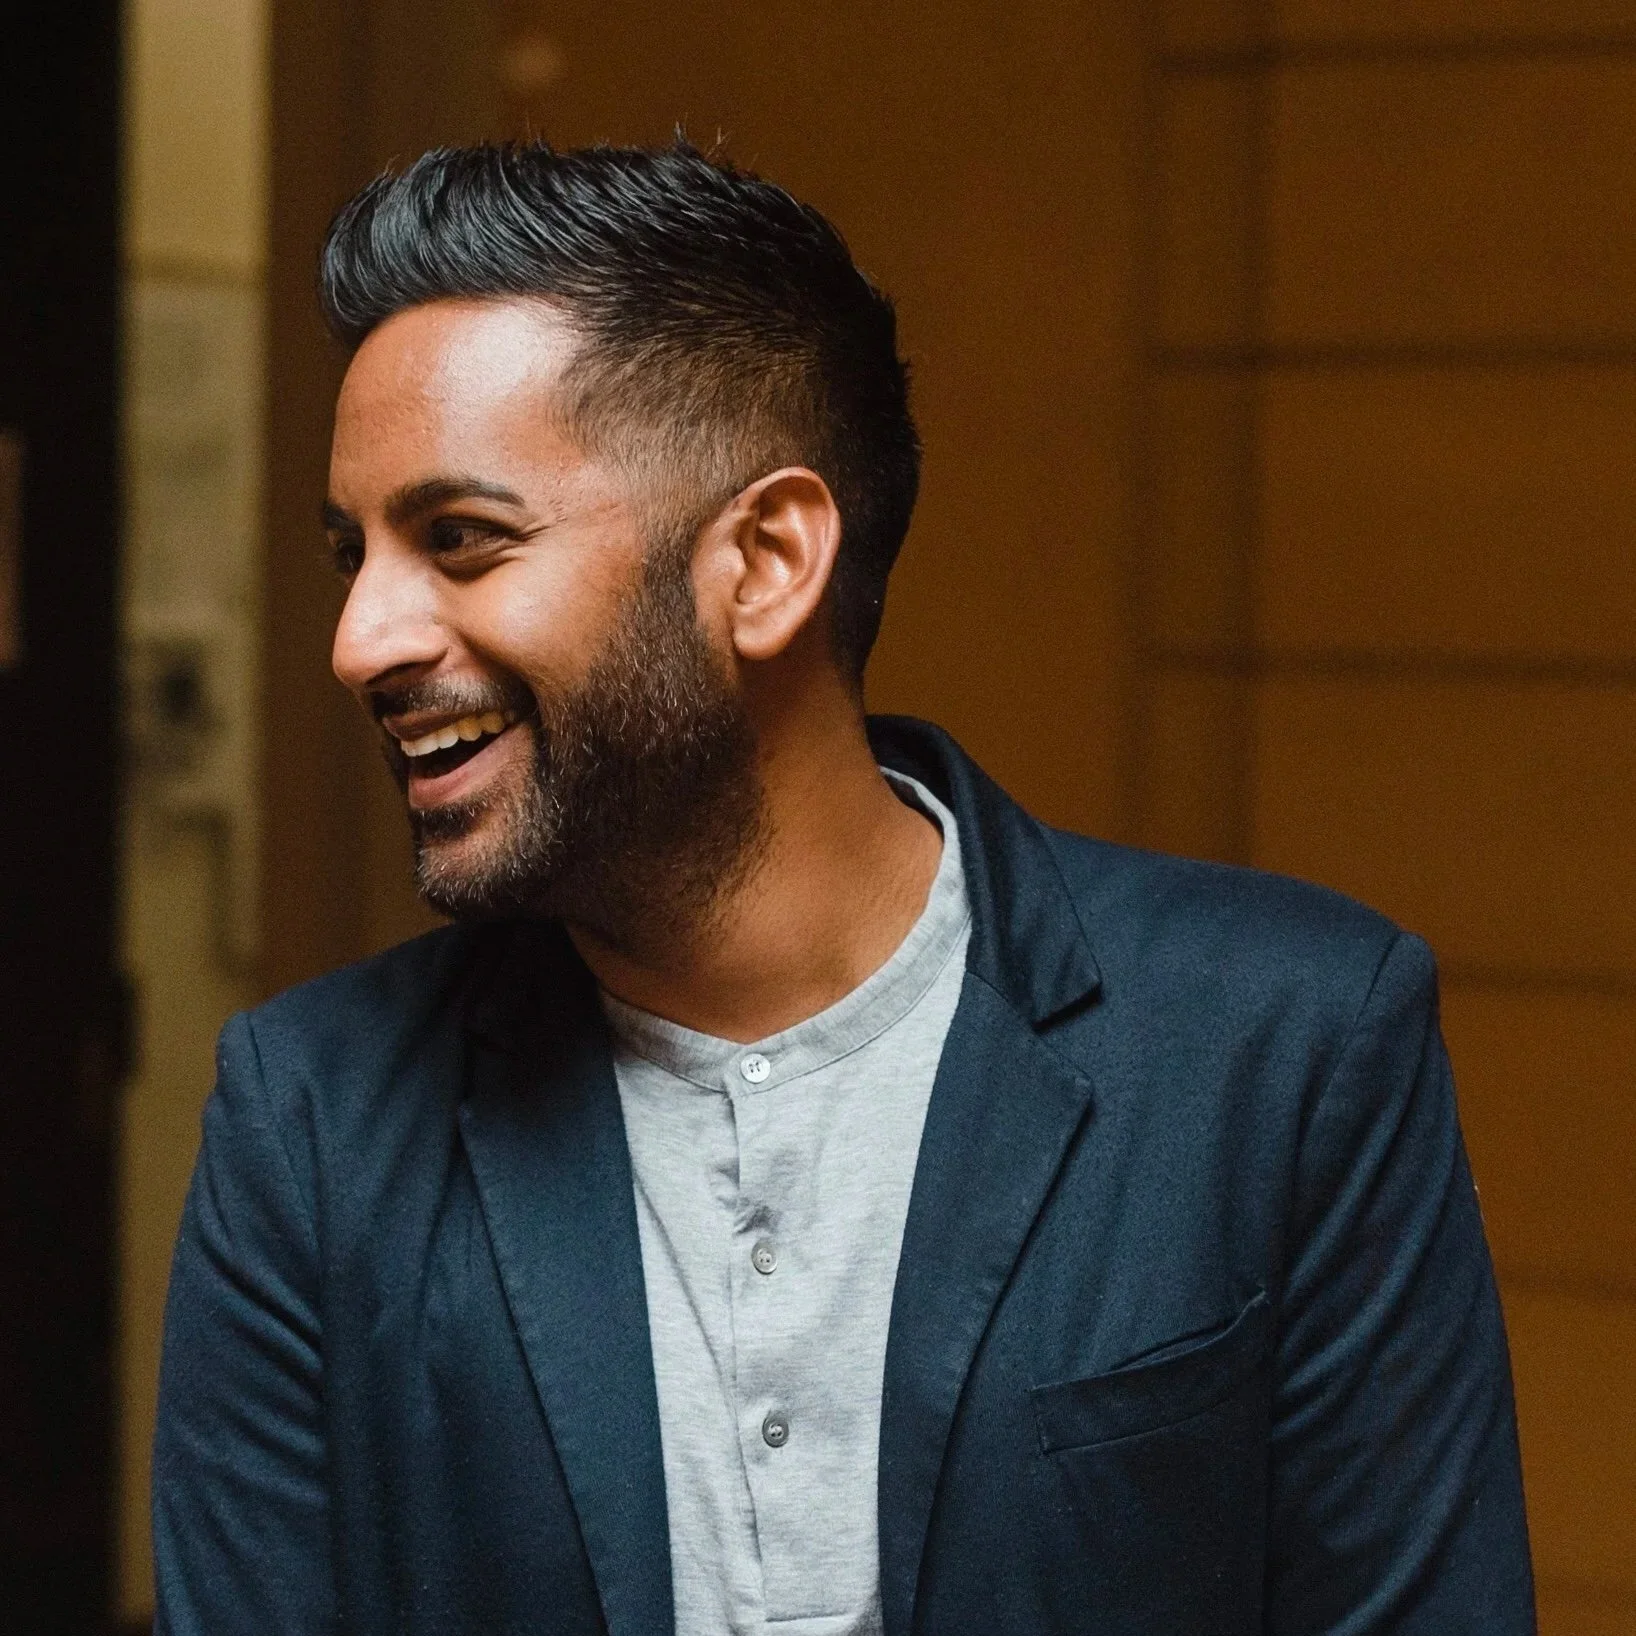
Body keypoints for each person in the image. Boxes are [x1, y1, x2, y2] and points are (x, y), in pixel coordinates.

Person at [153, 141, 1534, 1636]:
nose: (363, 637)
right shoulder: (307, 1124)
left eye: (462, 541)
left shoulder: (1286, 1047)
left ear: (766, 559)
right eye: (351, 555)